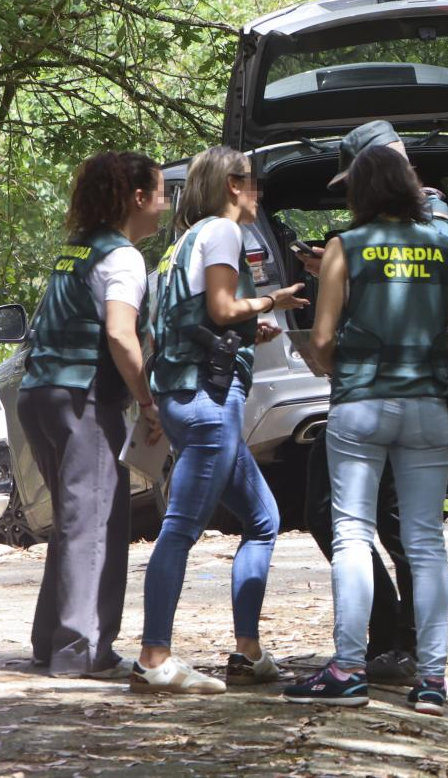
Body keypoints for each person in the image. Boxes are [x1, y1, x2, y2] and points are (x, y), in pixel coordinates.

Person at [283, 144, 448, 715]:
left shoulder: (346, 247)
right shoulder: (445, 244)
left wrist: (333, 367)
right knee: (425, 541)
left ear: (360, 192)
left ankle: (347, 670)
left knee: (351, 533)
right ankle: (433, 681)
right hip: (427, 405)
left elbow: (320, 340)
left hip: (361, 405)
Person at [134, 146, 309, 694]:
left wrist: (240, 330)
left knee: (263, 520)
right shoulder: (225, 233)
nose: (258, 193)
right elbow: (219, 307)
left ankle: (247, 652)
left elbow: (185, 322)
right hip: (209, 402)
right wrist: (269, 302)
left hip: (183, 395)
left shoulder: (181, 243)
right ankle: (154, 656)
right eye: (253, 183)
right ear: (233, 185)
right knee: (181, 526)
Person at [17, 151, 165, 679]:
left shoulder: (75, 250)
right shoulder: (123, 258)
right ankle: (80, 649)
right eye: (161, 193)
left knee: (72, 523)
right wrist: (147, 402)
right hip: (83, 399)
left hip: (39, 395)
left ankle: (50, 642)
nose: (165, 206)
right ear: (138, 198)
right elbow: (121, 334)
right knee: (95, 523)